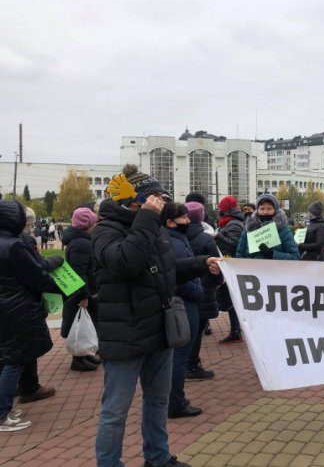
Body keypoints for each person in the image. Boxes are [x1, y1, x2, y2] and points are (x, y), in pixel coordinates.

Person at [92, 165, 221, 467]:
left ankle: (158, 457)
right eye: (155, 198)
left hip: (158, 329)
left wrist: (203, 263)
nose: (162, 203)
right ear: (136, 200)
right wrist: (147, 220)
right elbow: (126, 262)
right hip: (124, 333)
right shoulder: (106, 231)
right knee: (115, 410)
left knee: (158, 400)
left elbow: (168, 272)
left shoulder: (156, 228)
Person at [0, 201, 64, 432]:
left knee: (6, 357)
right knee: (15, 360)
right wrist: (60, 289)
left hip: (6, 307)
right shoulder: (14, 245)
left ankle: (5, 406)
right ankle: (2, 412)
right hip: (18, 307)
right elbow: (37, 276)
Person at [162, 202, 208, 419]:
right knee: (180, 355)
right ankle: (176, 402)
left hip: (182, 300)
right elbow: (179, 276)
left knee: (177, 355)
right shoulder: (176, 243)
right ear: (171, 222)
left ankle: (172, 400)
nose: (188, 222)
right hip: (184, 302)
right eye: (183, 219)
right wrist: (196, 291)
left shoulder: (174, 239)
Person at [61, 207, 101, 372]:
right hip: (82, 292)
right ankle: (78, 359)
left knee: (86, 322)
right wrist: (84, 295)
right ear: (88, 224)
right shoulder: (81, 244)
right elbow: (80, 272)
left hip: (82, 290)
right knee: (80, 324)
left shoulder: (79, 240)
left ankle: (85, 354)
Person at [185, 202, 220, 380]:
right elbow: (217, 265)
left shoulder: (175, 236)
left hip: (182, 289)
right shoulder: (206, 239)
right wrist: (217, 282)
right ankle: (192, 365)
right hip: (203, 289)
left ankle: (183, 364)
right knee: (196, 329)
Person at [214, 196, 246, 344]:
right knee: (231, 298)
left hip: (232, 264)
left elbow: (235, 244)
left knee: (233, 298)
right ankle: (235, 330)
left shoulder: (234, 224)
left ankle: (236, 331)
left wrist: (217, 236)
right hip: (228, 262)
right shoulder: (230, 222)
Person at [236, 194, 300, 261]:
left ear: (275, 210)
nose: (265, 212)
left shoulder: (283, 230)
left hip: (275, 270)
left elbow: (295, 257)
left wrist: (272, 254)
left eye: (269, 209)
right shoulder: (249, 228)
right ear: (257, 210)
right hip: (251, 270)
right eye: (262, 209)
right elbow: (239, 254)